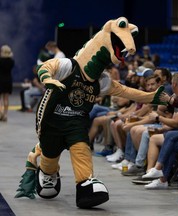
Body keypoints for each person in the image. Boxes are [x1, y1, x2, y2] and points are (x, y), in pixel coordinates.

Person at [15, 17, 165, 208]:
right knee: (50, 160)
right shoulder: (69, 66)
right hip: (52, 122)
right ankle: (47, 171)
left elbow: (127, 91)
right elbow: (46, 66)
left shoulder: (101, 81)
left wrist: (153, 97)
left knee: (82, 151)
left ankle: (86, 185)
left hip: (76, 123)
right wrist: (47, 79)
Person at [0, 45, 15, 122]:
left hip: (0, 80)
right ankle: (5, 114)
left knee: (0, 99)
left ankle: (1, 113)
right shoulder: (11, 61)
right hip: (8, 80)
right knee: (6, 98)